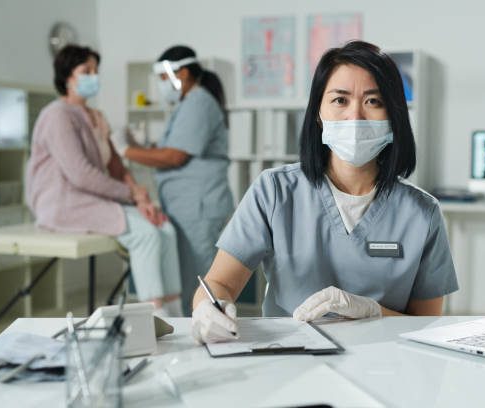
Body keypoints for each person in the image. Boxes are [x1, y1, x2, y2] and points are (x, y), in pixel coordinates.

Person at [190, 40, 459, 343]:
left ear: (393, 115)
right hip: (289, 359)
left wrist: (373, 312)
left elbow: (428, 325)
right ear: (318, 111)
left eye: (373, 101)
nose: (355, 115)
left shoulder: (422, 213)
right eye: (340, 100)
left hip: (385, 366)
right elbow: (219, 283)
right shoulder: (275, 191)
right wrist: (207, 308)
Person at [25, 44, 183, 316]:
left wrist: (140, 194)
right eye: (86, 71)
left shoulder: (96, 117)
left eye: (96, 71)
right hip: (62, 203)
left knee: (164, 228)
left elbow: (116, 164)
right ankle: (158, 319)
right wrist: (130, 195)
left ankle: (177, 313)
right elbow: (81, 174)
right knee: (146, 235)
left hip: (93, 199)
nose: (94, 77)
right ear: (67, 77)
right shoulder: (56, 116)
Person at [111, 45, 234, 315]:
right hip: (188, 206)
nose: (162, 85)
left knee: (200, 283)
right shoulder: (188, 104)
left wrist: (126, 151)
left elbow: (175, 156)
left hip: (197, 207)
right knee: (191, 281)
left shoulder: (199, 102)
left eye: (164, 78)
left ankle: (210, 338)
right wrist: (141, 145)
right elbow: (174, 147)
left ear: (185, 73)